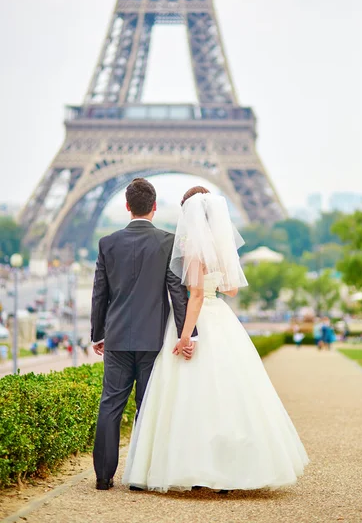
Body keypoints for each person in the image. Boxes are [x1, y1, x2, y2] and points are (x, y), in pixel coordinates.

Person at [123, 186, 309, 492]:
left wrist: (185, 336)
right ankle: (229, 470)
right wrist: (214, 281)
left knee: (189, 396)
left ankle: (195, 468)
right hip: (221, 317)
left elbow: (194, 296)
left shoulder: (193, 247)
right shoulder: (222, 247)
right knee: (227, 394)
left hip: (198, 320)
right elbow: (232, 290)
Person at [91, 178, 195, 491]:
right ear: (154, 207)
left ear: (127, 207)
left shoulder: (107, 243)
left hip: (118, 338)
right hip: (153, 339)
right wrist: (186, 333)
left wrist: (98, 334)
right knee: (147, 407)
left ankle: (103, 477)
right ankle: (139, 476)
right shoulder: (167, 241)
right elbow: (176, 292)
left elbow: (100, 293)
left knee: (110, 405)